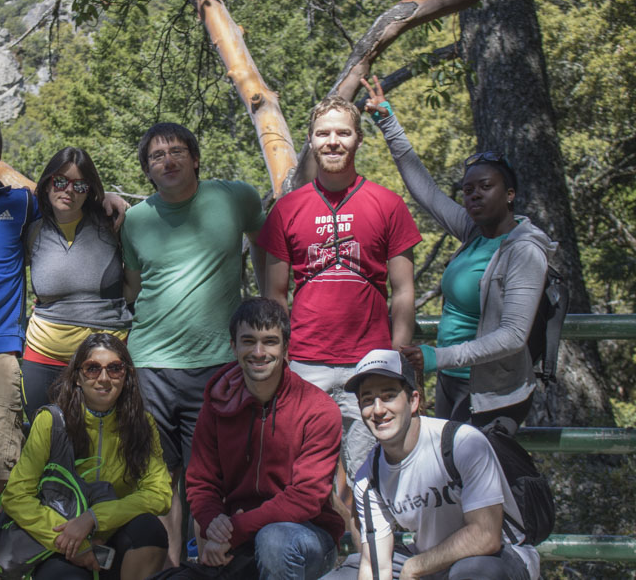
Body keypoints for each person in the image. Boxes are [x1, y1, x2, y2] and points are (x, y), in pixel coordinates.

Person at [0, 116, 130, 493]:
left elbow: (64, 201)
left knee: (2, 462)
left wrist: (108, 198)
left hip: (0, 353)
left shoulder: (19, 206)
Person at [363, 76, 555, 428]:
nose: (474, 196)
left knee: (483, 478)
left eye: (485, 187)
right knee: (453, 476)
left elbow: (513, 336)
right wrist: (387, 120)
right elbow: (428, 193)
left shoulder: (525, 250)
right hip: (453, 381)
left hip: (492, 393)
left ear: (510, 193)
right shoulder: (472, 232)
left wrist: (437, 357)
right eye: (468, 190)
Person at [120, 122, 265, 564]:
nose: (168, 161)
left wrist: (267, 300)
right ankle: (170, 571)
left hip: (218, 364)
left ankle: (211, 569)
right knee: (160, 480)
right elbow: (131, 288)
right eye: (156, 157)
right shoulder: (136, 219)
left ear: (195, 157)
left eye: (177, 151)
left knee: (210, 479)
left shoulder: (235, 197)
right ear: (147, 170)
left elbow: (266, 241)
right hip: (150, 365)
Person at [259, 95, 421, 485]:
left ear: (358, 140)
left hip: (369, 366)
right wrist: (281, 358)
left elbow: (403, 290)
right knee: (301, 479)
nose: (333, 141)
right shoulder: (287, 209)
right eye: (323, 133)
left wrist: (397, 355)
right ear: (311, 141)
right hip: (304, 364)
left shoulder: (388, 204)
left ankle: (371, 550)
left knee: (373, 481)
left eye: (343, 133)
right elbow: (275, 295)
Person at [324, 349, 538, 580]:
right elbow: (376, 565)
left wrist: (416, 566)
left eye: (388, 396)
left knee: (472, 573)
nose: (378, 410)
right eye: (367, 400)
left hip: (498, 558)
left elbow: (486, 535)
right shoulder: (369, 476)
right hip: (428, 562)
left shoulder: (462, 443)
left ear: (413, 400)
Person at [183, 298, 343, 579]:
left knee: (274, 540)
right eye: (248, 341)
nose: (259, 352)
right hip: (236, 533)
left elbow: (306, 498)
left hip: (307, 534)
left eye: (269, 341)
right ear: (233, 347)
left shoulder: (318, 408)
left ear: (286, 349)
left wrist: (236, 530)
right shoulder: (216, 403)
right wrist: (213, 524)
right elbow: (201, 482)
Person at [1, 333, 172, 580]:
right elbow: (16, 496)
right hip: (61, 541)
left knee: (150, 531)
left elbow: (160, 494)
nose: (104, 378)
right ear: (78, 376)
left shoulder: (142, 424)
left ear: (126, 376)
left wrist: (93, 519)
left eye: (114, 368)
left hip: (114, 538)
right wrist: (72, 540)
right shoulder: (51, 421)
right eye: (93, 369)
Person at [21, 146, 133, 421]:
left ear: (90, 190)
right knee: (42, 440)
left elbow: (135, 285)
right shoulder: (33, 231)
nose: (68, 190)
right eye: (60, 181)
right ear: (47, 184)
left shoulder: (112, 224)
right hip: (43, 355)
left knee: (104, 445)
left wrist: (113, 198)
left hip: (105, 359)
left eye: (80, 185)